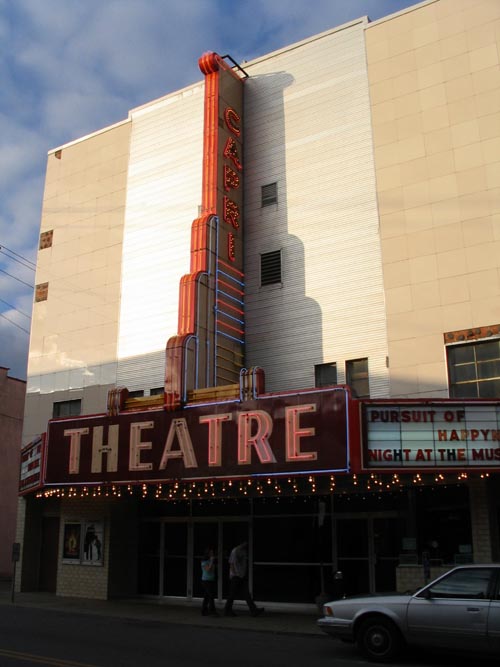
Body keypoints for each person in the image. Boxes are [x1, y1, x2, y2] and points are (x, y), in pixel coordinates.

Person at [224, 541, 264, 617]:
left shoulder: (244, 551)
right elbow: (231, 563)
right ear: (242, 543)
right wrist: (235, 574)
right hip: (236, 576)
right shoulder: (235, 551)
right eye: (245, 543)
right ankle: (227, 610)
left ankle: (254, 610)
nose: (246, 544)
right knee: (232, 594)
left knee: (246, 593)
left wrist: (242, 574)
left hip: (242, 576)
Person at [201, 547, 218, 616]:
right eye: (211, 553)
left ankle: (204, 610)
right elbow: (208, 570)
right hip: (206, 581)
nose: (212, 554)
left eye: (212, 552)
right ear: (207, 554)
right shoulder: (204, 562)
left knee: (207, 596)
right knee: (211, 595)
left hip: (211, 580)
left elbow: (213, 570)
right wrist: (211, 561)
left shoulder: (212, 561)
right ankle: (212, 611)